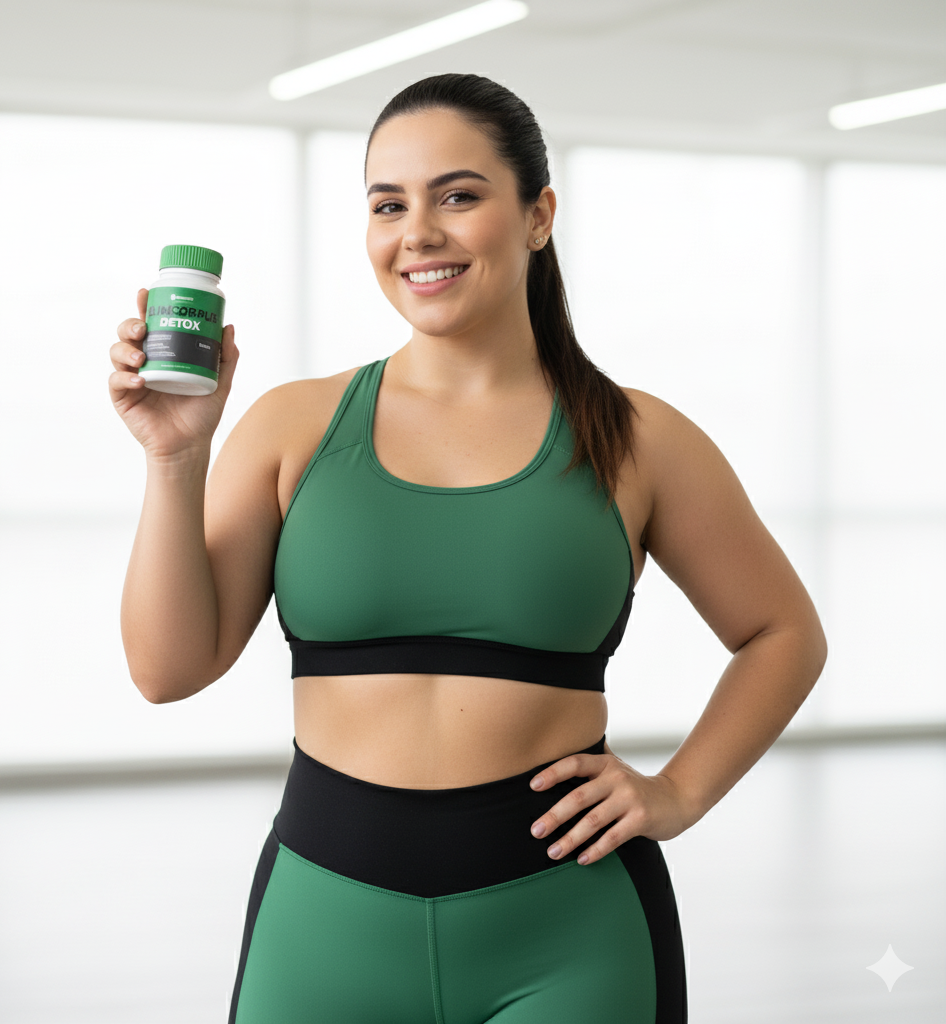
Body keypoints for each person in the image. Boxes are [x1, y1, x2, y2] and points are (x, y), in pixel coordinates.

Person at [109, 74, 826, 1024]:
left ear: (538, 216)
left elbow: (783, 633)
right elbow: (166, 671)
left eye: (457, 196)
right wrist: (175, 456)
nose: (418, 233)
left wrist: (681, 792)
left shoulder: (638, 439)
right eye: (388, 205)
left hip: (571, 934)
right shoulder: (292, 427)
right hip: (322, 927)